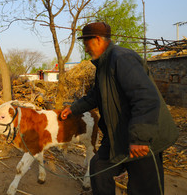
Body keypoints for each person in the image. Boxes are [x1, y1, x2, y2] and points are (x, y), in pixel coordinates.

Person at [60, 22, 178, 195]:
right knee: (99, 167)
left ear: (98, 40)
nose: (85, 49)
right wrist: (74, 109)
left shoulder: (122, 58)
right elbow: (96, 95)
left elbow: (145, 97)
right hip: (119, 134)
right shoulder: (103, 65)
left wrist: (139, 138)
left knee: (143, 188)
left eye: (86, 44)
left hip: (144, 137)